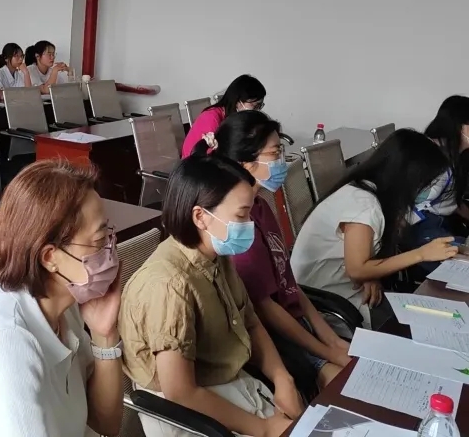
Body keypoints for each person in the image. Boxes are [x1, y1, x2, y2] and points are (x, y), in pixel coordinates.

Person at [0, 159, 124, 437]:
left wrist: (105, 334)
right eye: (99, 241)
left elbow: (105, 424)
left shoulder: (64, 303)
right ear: (50, 258)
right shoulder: (6, 341)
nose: (111, 250)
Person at [119, 152, 302, 437]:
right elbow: (181, 392)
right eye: (241, 215)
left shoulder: (216, 255)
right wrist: (265, 428)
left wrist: (282, 378)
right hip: (190, 416)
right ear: (200, 217)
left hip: (229, 384)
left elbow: (250, 321)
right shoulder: (169, 286)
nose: (249, 224)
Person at [204, 111, 350, 392]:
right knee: (345, 387)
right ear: (245, 163)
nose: (282, 161)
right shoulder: (236, 228)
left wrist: (331, 339)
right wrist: (326, 352)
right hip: (278, 338)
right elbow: (265, 308)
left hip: (300, 325)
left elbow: (288, 282)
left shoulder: (262, 206)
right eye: (274, 153)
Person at [290, 129, 458, 327]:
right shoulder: (363, 204)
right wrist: (421, 254)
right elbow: (357, 269)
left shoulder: (371, 191)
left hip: (348, 289)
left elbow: (361, 260)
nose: (425, 189)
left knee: (431, 317)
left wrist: (371, 274)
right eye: (425, 181)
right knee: (429, 323)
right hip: (328, 302)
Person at [406, 95, 469, 250]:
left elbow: (451, 201)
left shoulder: (455, 155)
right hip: (420, 225)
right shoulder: (428, 154)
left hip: (441, 221)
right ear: (459, 126)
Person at [181, 74, 267, 157]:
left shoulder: (236, 119)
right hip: (195, 164)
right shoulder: (212, 117)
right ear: (238, 101)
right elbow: (214, 156)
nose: (257, 110)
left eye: (260, 106)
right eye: (255, 106)